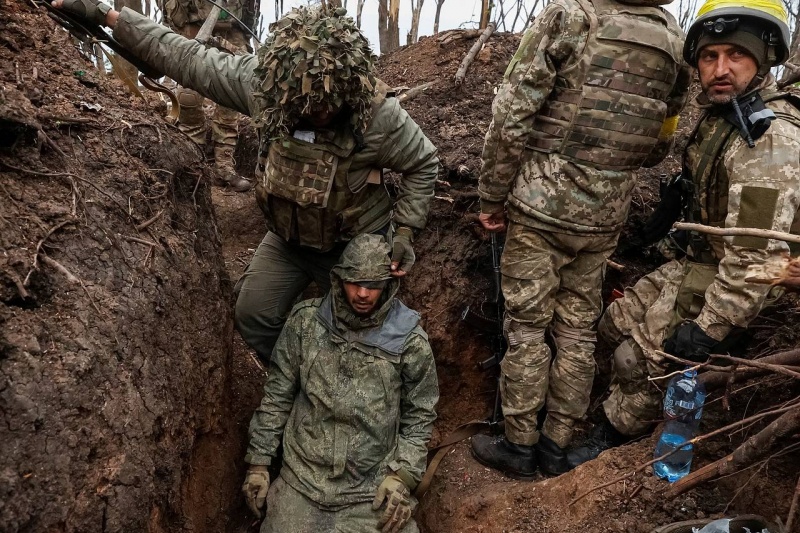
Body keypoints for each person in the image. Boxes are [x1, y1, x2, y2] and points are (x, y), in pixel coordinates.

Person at [50, 1, 440, 364]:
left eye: (323, 109)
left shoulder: (379, 117)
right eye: (302, 107)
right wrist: (107, 16)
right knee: (253, 317)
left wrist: (404, 231)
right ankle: (303, 378)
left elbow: (423, 163)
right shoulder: (266, 88)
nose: (311, 113)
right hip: (287, 239)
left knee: (374, 332)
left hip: (354, 243)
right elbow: (186, 57)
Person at [568, 0, 800, 467]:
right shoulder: (726, 117)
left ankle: (612, 438)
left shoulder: (768, 142)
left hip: (742, 281)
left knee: (642, 359)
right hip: (703, 260)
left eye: (736, 55)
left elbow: (755, 265)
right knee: (612, 324)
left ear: (763, 58)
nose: (720, 68)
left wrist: (707, 330)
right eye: (710, 56)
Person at [470, 0, 692, 478]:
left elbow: (511, 116)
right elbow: (661, 141)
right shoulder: (674, 38)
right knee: (576, 330)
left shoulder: (569, 17)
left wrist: (490, 195)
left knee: (528, 328)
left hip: (541, 207)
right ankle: (557, 446)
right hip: (605, 217)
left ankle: (519, 445)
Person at [240, 234, 439, 533]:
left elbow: (420, 416)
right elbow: (277, 396)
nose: (362, 293)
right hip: (302, 481)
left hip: (370, 489)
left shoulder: (409, 341)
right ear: (338, 279)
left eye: (372, 285)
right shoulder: (306, 323)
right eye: (354, 282)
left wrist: (402, 477)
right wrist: (259, 463)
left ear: (387, 284)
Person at [158, 0, 259, 192]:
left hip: (233, 27)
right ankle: (193, 163)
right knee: (189, 96)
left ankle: (224, 168)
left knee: (231, 94)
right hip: (194, 25)